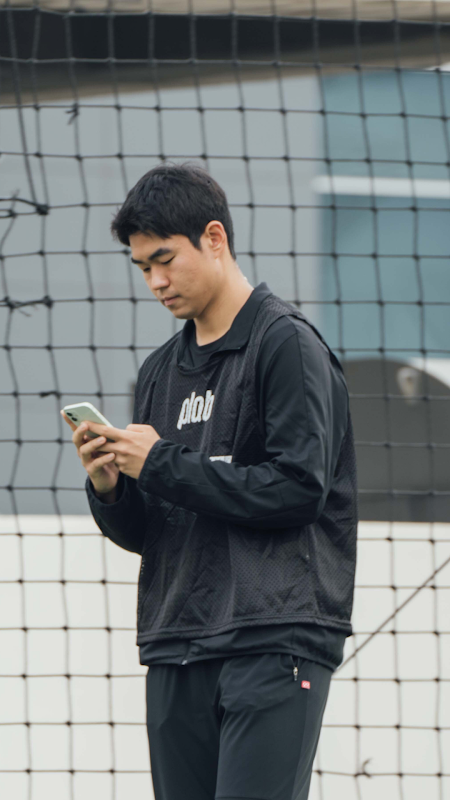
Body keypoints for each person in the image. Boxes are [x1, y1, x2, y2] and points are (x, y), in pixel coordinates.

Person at [63, 162, 358, 800]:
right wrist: (111, 486)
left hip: (274, 638)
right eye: (142, 267)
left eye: (165, 259)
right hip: (175, 642)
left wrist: (160, 462)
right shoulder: (159, 371)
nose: (155, 282)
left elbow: (298, 490)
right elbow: (151, 531)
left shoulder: (286, 344)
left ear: (215, 238)